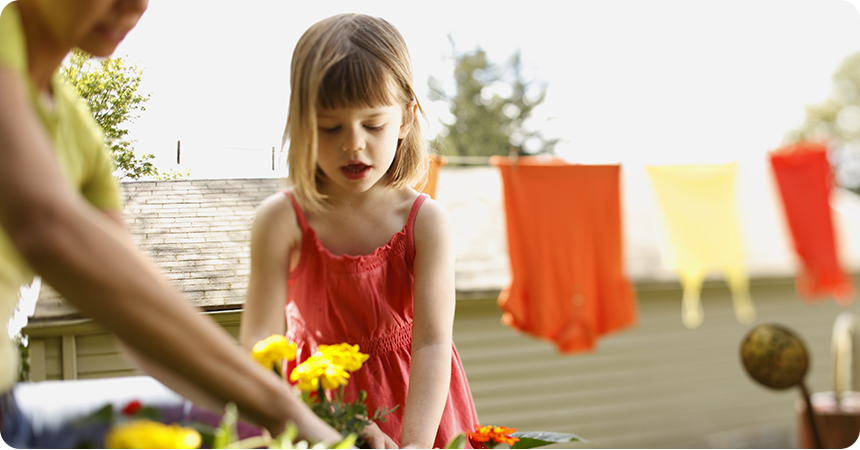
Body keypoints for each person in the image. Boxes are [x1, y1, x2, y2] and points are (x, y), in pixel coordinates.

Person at [0, 0, 349, 446]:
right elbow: (46, 226)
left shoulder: (80, 140)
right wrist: (282, 409)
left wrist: (302, 422)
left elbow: (132, 305)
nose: (134, 5)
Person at [240, 13, 480, 449]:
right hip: (314, 414)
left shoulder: (425, 223)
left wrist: (413, 445)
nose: (353, 144)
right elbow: (257, 344)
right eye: (331, 127)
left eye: (373, 125)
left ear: (406, 119)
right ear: (302, 123)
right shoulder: (281, 222)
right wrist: (312, 428)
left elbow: (432, 346)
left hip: (417, 417)